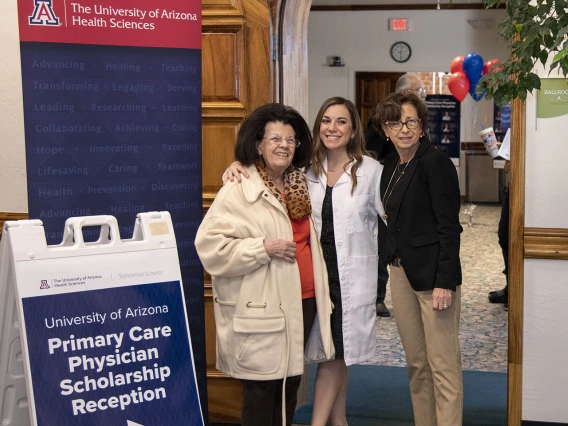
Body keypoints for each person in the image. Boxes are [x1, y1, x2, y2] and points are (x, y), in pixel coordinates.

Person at [225, 98, 385, 426]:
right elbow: (264, 180)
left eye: (341, 121)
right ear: (317, 127)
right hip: (313, 277)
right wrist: (234, 165)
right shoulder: (304, 172)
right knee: (329, 351)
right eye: (326, 120)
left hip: (351, 278)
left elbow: (392, 218)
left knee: (338, 351)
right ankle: (338, 420)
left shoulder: (372, 171)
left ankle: (319, 422)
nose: (332, 128)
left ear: (353, 128)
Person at [195, 103, 334, 426]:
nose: (284, 145)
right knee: (261, 390)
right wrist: (262, 248)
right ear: (258, 144)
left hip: (304, 301)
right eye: (274, 139)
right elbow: (210, 247)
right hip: (263, 308)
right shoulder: (239, 188)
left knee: (290, 385)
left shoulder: (300, 183)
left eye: (290, 140)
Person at [374, 92, 463, 426]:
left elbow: (449, 229)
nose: (404, 129)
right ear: (386, 128)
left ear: (422, 125)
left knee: (443, 365)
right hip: (401, 274)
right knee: (416, 363)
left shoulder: (435, 163)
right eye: (395, 122)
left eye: (411, 121)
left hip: (433, 279)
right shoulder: (390, 167)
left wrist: (445, 281)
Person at [366, 72, 427, 317]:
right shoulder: (380, 123)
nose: (423, 96)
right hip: (386, 191)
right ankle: (378, 296)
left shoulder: (419, 122)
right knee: (384, 244)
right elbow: (370, 154)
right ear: (405, 93)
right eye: (419, 91)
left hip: (413, 191)